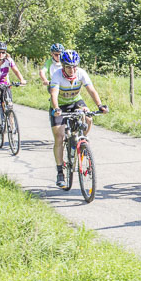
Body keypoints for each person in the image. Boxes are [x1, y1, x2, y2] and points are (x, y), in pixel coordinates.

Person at [49, 50, 108, 188]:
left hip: (76, 102)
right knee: (59, 136)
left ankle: (81, 141)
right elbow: (54, 94)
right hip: (60, 105)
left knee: (88, 118)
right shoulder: (57, 75)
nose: (72, 70)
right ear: (63, 66)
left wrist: (100, 105)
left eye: (74, 66)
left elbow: (91, 90)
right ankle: (60, 172)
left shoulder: (81, 73)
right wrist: (56, 108)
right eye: (69, 67)